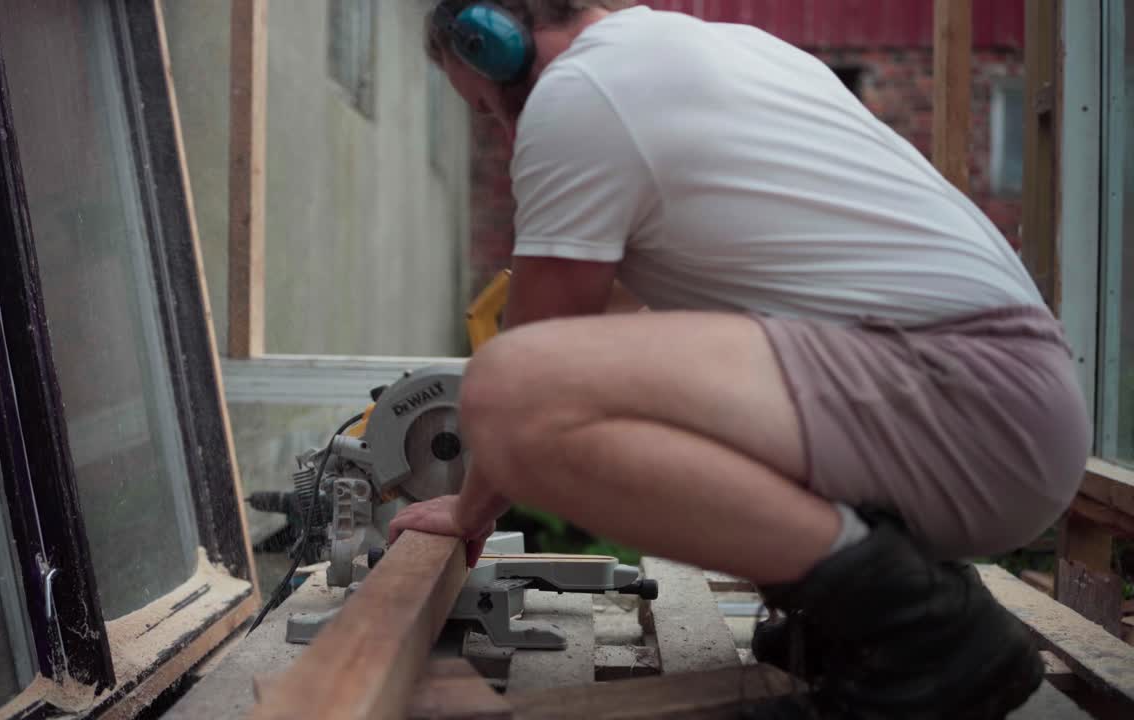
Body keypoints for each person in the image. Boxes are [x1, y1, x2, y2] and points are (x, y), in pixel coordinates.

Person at [389, 2, 1090, 717]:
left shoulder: (580, 93)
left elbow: (535, 357)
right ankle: (873, 622)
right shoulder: (725, 51)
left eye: (488, 111)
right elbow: (622, 333)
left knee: (508, 392)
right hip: (1010, 406)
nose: (505, 137)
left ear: (495, 42)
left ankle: (932, 639)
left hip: (971, 399)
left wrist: (469, 510)